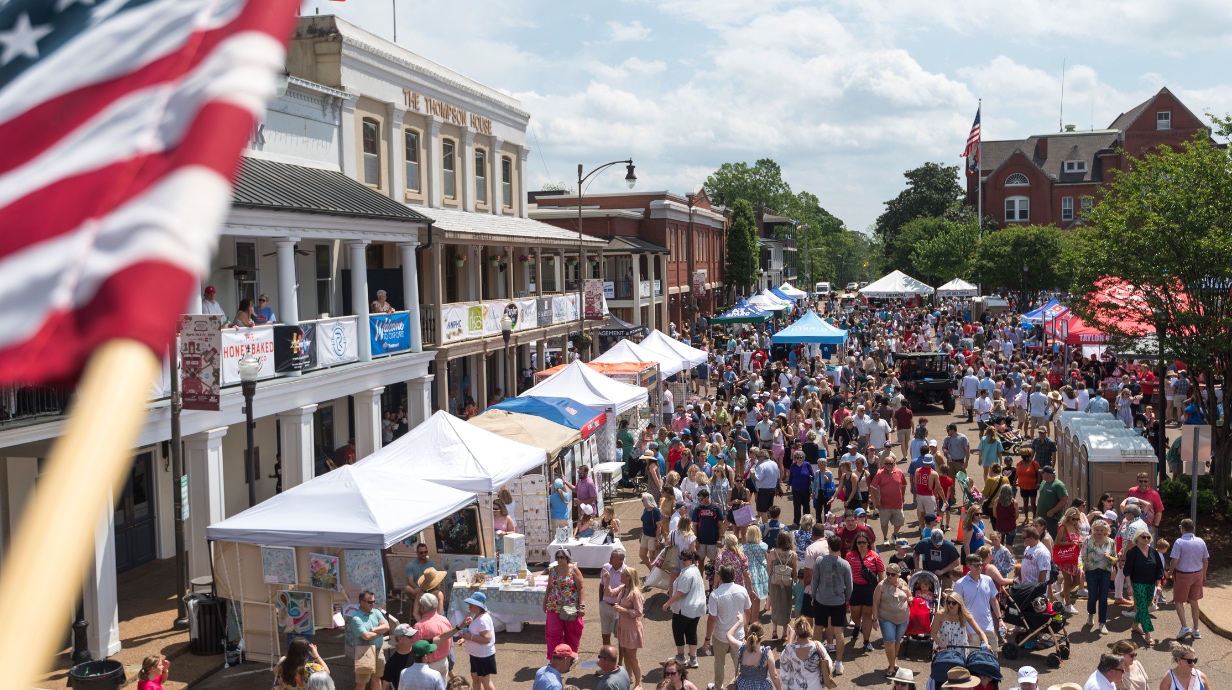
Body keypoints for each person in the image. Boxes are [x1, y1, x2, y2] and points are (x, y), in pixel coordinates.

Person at [811, 535, 852, 676]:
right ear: (840, 547)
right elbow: (850, 586)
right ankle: (839, 663)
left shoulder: (820, 561)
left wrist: (813, 596)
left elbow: (814, 581)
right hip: (838, 601)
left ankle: (816, 659)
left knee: (818, 628)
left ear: (829, 546)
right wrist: (846, 599)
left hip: (822, 599)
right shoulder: (845, 564)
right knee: (839, 631)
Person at [706, 564, 753, 689]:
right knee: (739, 661)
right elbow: (748, 610)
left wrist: (707, 638)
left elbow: (712, 619)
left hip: (720, 635)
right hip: (738, 634)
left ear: (720, 577)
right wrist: (746, 625)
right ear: (734, 576)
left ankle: (718, 686)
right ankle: (741, 684)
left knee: (719, 662)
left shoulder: (715, 595)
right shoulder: (742, 590)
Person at [1167, 518, 1210, 640]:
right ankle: (1196, 629)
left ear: (1182, 529)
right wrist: (1204, 574)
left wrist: (1170, 571)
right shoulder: (1200, 541)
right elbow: (1205, 560)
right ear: (1193, 529)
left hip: (1184, 575)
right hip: (1198, 574)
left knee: (1179, 601)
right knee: (1194, 601)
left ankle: (1184, 627)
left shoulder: (1179, 542)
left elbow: (1175, 561)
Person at [663, 549, 706, 669]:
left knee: (678, 631)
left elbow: (680, 592)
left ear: (691, 560)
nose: (682, 561)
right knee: (691, 632)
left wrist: (668, 603)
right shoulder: (695, 570)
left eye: (684, 559)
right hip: (696, 608)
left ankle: (681, 657)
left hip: (685, 608)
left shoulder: (687, 574)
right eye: (681, 558)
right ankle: (693, 659)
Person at [1122, 530, 1165, 646]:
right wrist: (1129, 586)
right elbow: (1127, 570)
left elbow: (1159, 569)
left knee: (1143, 607)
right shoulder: (1133, 552)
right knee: (1144, 609)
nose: (1146, 539)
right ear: (1137, 538)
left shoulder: (1153, 552)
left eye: (1148, 537)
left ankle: (1135, 625)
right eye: (1143, 537)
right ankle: (1148, 634)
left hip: (1150, 584)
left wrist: (1158, 584)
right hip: (1137, 584)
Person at [543, 547, 586, 658]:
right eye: (557, 558)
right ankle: (554, 657)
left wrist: (582, 606)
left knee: (572, 632)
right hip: (554, 605)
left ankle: (571, 655)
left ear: (567, 558)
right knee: (553, 633)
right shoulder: (553, 570)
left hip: (570, 606)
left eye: (562, 557)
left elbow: (581, 587)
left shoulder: (573, 569)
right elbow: (549, 587)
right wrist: (545, 602)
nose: (559, 560)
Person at [952, 554, 1000, 653]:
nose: (979, 568)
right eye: (976, 565)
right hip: (971, 629)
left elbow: (993, 600)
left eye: (981, 565)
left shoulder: (988, 580)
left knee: (994, 654)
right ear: (969, 565)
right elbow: (956, 607)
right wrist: (963, 628)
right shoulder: (960, 584)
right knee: (973, 657)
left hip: (988, 626)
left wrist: (1000, 619)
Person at [847, 531, 885, 653]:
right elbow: (846, 573)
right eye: (859, 542)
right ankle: (857, 626)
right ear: (856, 544)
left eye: (864, 542)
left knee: (867, 615)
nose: (862, 544)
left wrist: (880, 590)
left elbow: (881, 573)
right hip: (855, 588)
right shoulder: (850, 555)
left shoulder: (875, 556)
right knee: (855, 614)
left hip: (870, 588)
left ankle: (866, 641)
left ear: (868, 543)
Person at [872, 563, 911, 677]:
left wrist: (910, 598)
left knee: (897, 641)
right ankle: (892, 667)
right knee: (889, 642)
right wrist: (874, 620)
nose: (889, 576)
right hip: (886, 618)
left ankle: (893, 663)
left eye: (892, 574)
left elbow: (910, 595)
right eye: (887, 573)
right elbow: (875, 603)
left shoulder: (903, 583)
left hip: (903, 618)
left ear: (898, 575)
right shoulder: (881, 586)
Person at [779, 616, 836, 690]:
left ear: (796, 632)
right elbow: (830, 665)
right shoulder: (817, 645)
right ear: (809, 630)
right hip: (816, 687)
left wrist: (790, 638)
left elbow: (784, 671)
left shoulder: (789, 649)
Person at [349, 590, 389, 690]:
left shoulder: (376, 612)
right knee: (362, 683)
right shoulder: (356, 619)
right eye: (370, 602)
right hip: (365, 653)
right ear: (362, 602)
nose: (373, 604)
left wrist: (373, 630)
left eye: (374, 601)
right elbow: (365, 636)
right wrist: (380, 630)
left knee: (377, 679)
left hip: (379, 651)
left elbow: (387, 627)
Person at [1082, 519, 1117, 634]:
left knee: (1103, 598)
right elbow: (1082, 555)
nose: (1098, 532)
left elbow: (1115, 558)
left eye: (1101, 530)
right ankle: (1091, 614)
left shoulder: (1111, 542)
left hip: (1105, 571)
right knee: (1092, 596)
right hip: (1091, 570)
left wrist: (1110, 558)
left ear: (1106, 531)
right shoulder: (1088, 540)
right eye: (1096, 530)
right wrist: (1081, 568)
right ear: (1093, 530)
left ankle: (1102, 623)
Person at [614, 566, 645, 690]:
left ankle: (639, 683)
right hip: (623, 627)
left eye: (622, 575)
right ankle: (629, 677)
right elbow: (609, 592)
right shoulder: (623, 589)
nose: (620, 576)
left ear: (628, 578)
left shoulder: (635, 593)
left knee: (632, 656)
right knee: (626, 654)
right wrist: (606, 579)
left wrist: (624, 610)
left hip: (631, 629)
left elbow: (639, 612)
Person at [460, 592, 497, 690]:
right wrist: (464, 638)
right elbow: (476, 633)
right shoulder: (477, 616)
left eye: (471, 604)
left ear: (478, 605)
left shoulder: (483, 619)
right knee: (475, 678)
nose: (469, 605)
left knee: (485, 681)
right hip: (476, 654)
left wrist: (469, 638)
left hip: (483, 656)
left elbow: (487, 638)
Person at [411, 594, 454, 678]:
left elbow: (416, 647)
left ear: (422, 608)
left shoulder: (419, 626)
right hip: (444, 661)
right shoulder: (445, 620)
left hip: (429, 666)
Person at [870, 453, 907, 545]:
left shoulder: (899, 472)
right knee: (884, 523)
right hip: (884, 504)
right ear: (884, 464)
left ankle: (894, 535)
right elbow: (873, 487)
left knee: (900, 521)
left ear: (894, 464)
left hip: (897, 504)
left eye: (890, 464)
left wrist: (902, 496)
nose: (888, 466)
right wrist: (877, 502)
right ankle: (885, 538)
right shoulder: (879, 474)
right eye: (887, 464)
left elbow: (904, 485)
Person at [767, 532, 798, 640]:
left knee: (775, 605)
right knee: (787, 605)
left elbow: (769, 569)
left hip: (774, 582)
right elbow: (794, 571)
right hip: (787, 583)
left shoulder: (773, 552)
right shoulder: (793, 555)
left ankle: (774, 629)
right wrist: (795, 583)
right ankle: (784, 632)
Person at [732, 622, 780, 690]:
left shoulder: (742, 648)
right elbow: (774, 676)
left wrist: (739, 621)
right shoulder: (766, 652)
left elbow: (728, 635)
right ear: (762, 636)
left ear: (749, 634)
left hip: (743, 686)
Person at [599, 548, 626, 652]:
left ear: (620, 559)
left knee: (620, 638)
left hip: (619, 609)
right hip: (605, 606)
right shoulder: (606, 568)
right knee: (605, 635)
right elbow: (601, 585)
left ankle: (620, 663)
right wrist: (600, 602)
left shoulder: (626, 572)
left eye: (612, 557)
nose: (610, 558)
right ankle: (607, 659)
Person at [743, 525, 770, 618]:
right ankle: (754, 621)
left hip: (748, 574)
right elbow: (766, 561)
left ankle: (748, 620)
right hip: (759, 574)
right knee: (756, 600)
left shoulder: (744, 548)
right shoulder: (762, 546)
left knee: (747, 599)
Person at [1036, 465, 1068, 538]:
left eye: (1042, 473)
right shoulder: (1043, 482)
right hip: (1042, 517)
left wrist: (1052, 511)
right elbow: (1041, 497)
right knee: (1041, 537)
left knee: (1051, 537)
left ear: (1047, 474)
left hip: (1052, 519)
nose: (1041, 474)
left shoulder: (1058, 485)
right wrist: (1037, 510)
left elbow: (1064, 500)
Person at [384, 624, 418, 689]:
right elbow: (386, 684)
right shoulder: (392, 662)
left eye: (413, 635)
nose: (413, 638)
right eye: (410, 636)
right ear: (400, 639)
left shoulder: (419, 654)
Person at [787, 450, 815, 525]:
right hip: (796, 489)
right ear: (795, 458)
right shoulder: (793, 465)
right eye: (798, 457)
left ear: (803, 458)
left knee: (806, 506)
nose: (799, 459)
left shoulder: (807, 464)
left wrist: (814, 485)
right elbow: (791, 476)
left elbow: (812, 475)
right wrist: (788, 484)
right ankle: (796, 521)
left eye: (801, 457)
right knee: (797, 506)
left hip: (805, 489)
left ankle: (807, 521)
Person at [753, 452, 781, 522]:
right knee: (769, 510)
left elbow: (758, 478)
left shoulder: (762, 465)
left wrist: (753, 475)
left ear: (763, 457)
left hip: (764, 490)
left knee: (763, 511)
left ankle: (765, 527)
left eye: (758, 457)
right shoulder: (774, 464)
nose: (757, 459)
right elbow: (778, 476)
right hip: (772, 489)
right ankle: (770, 525)